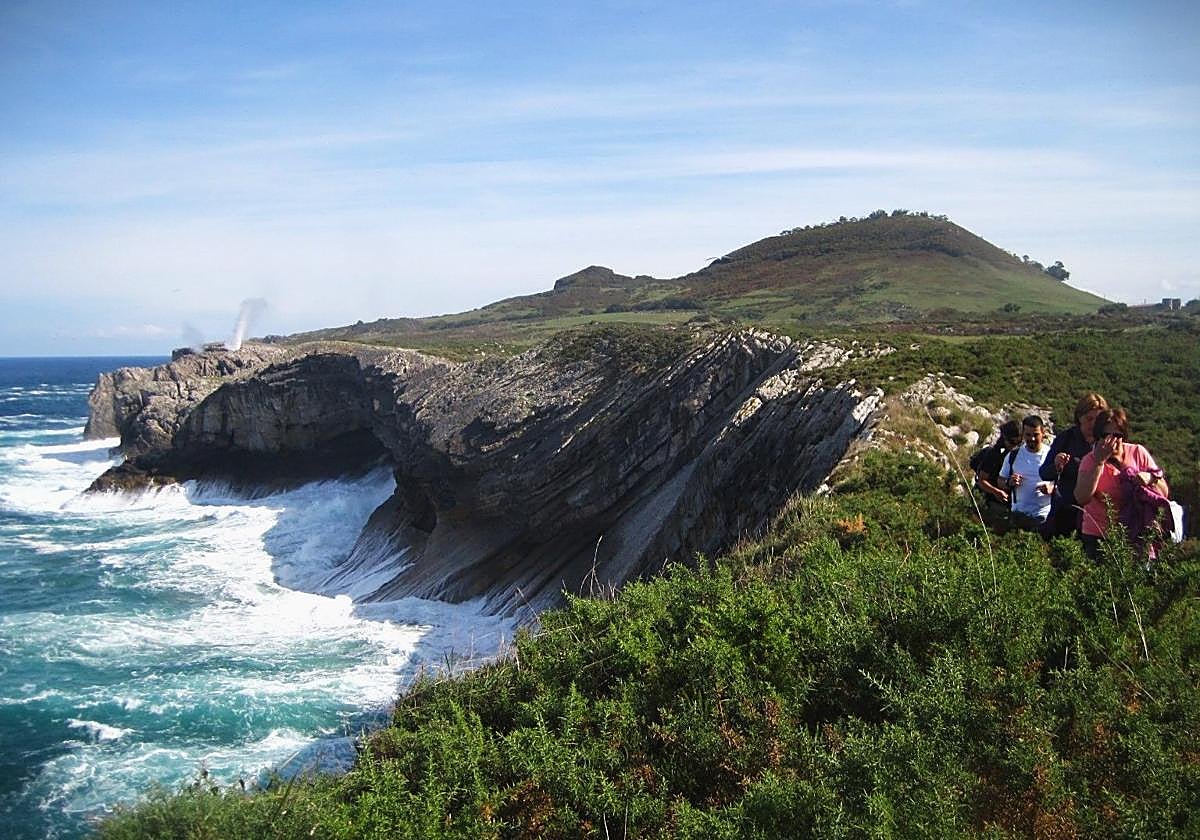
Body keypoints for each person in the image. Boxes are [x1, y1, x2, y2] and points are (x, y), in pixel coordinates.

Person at [1074, 408, 1169, 558]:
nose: (1112, 441)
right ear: (1098, 437)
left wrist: (1150, 479)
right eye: (1106, 435)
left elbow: (1164, 492)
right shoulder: (1089, 461)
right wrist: (1099, 463)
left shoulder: (1138, 453)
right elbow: (1081, 497)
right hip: (1100, 536)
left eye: (1117, 435)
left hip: (1136, 533)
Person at [1039, 393, 1108, 538]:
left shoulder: (1107, 443)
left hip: (1098, 518)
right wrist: (1056, 465)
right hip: (1065, 514)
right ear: (1079, 417)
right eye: (1089, 419)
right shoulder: (1066, 439)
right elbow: (1044, 473)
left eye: (1098, 419)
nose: (1093, 424)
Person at [999, 415, 1055, 531]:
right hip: (1018, 514)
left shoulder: (1051, 455)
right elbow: (1000, 480)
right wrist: (1009, 482)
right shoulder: (1013, 455)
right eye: (1028, 435)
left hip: (1043, 515)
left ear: (1043, 433)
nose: (1032, 439)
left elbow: (1062, 481)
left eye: (1036, 434)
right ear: (1023, 434)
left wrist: (1052, 488)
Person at [974, 420, 1022, 514]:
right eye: (1012, 442)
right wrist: (996, 492)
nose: (1015, 446)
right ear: (1004, 438)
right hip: (990, 500)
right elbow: (981, 480)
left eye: (1019, 442)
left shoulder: (1020, 454)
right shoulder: (994, 455)